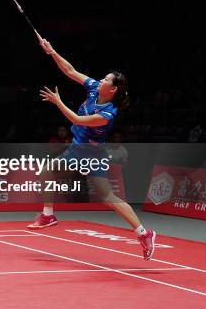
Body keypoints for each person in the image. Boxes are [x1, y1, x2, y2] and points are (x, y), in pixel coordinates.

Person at [27, 38, 157, 260]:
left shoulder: (108, 114)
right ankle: (48, 216)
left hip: (92, 154)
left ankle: (144, 233)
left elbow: (78, 120)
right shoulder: (95, 88)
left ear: (113, 88)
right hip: (76, 149)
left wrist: (58, 102)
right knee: (47, 171)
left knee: (107, 196)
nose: (100, 79)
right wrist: (52, 51)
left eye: (105, 79)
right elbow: (70, 70)